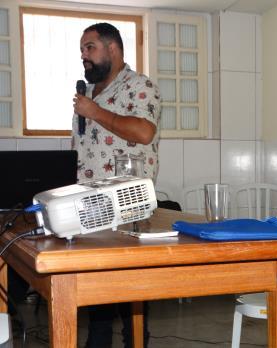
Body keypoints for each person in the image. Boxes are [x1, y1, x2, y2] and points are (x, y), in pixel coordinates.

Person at [72, 22, 160, 348]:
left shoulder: (139, 86)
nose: (84, 56)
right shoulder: (89, 94)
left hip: (128, 207)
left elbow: (143, 132)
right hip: (89, 208)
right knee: (98, 293)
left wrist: (95, 112)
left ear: (112, 48)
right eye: (82, 50)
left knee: (132, 294)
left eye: (89, 47)